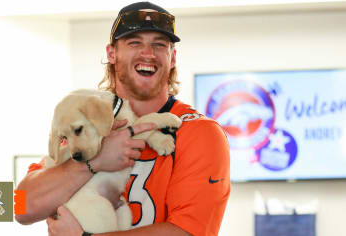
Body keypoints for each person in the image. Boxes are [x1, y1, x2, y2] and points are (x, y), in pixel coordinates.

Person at [16, 2, 230, 236]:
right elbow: (20, 206)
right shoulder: (83, 119)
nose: (148, 53)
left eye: (159, 45)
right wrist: (94, 162)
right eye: (134, 42)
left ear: (173, 57)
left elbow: (188, 232)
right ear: (111, 53)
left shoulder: (200, 132)